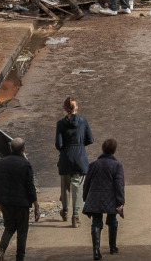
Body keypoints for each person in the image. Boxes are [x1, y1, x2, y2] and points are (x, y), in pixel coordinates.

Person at [0, 137, 39, 261]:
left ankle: (1, 250)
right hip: (21, 203)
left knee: (9, 227)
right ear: (23, 149)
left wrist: (0, 197)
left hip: (5, 202)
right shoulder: (26, 164)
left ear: (10, 148)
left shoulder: (2, 162)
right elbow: (30, 186)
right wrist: (36, 205)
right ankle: (20, 257)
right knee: (22, 231)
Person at [55, 97, 95, 228]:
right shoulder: (83, 122)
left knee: (65, 187)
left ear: (64, 108)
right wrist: (80, 145)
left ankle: (65, 211)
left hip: (66, 158)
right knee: (78, 187)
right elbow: (90, 139)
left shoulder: (60, 123)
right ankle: (76, 215)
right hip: (80, 158)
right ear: (76, 107)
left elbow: (58, 144)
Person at [83, 138, 126, 258]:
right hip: (111, 198)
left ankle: (96, 251)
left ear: (103, 149)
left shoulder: (93, 165)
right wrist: (121, 201)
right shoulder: (117, 165)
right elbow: (119, 184)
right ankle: (112, 246)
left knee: (96, 222)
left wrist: (85, 197)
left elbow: (86, 183)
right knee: (112, 220)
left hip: (95, 197)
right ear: (114, 150)